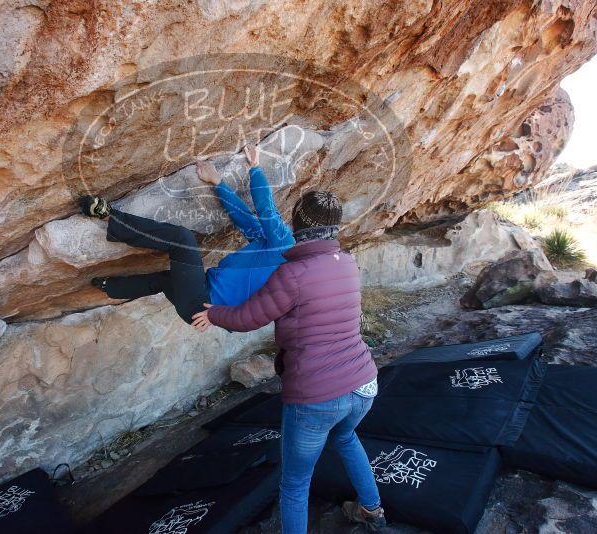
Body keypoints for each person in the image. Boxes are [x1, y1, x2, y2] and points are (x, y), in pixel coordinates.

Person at [190, 191, 386, 533]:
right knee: (346, 439)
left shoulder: (292, 274)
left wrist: (216, 314)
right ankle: (371, 510)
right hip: (364, 385)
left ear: (297, 224)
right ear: (335, 227)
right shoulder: (348, 262)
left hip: (317, 396)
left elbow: (249, 317)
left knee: (295, 485)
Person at [80, 144, 294, 323]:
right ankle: (109, 287)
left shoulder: (285, 245)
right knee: (164, 281)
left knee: (182, 239)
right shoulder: (275, 249)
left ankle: (110, 217)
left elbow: (267, 209)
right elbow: (244, 218)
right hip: (199, 299)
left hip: (203, 306)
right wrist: (218, 183)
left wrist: (255, 167)